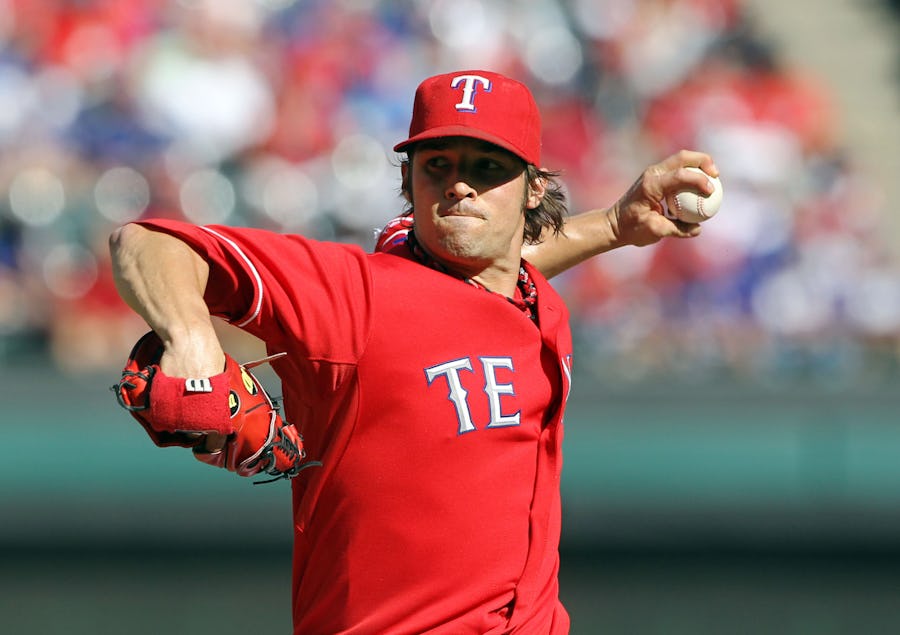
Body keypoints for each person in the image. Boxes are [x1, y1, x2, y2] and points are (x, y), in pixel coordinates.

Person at [110, 69, 718, 634]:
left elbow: (504, 269)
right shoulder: (355, 297)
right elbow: (148, 243)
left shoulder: (535, 300)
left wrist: (612, 226)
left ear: (534, 189)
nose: (460, 184)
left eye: (487, 167)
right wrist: (191, 340)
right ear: (408, 181)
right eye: (438, 165)